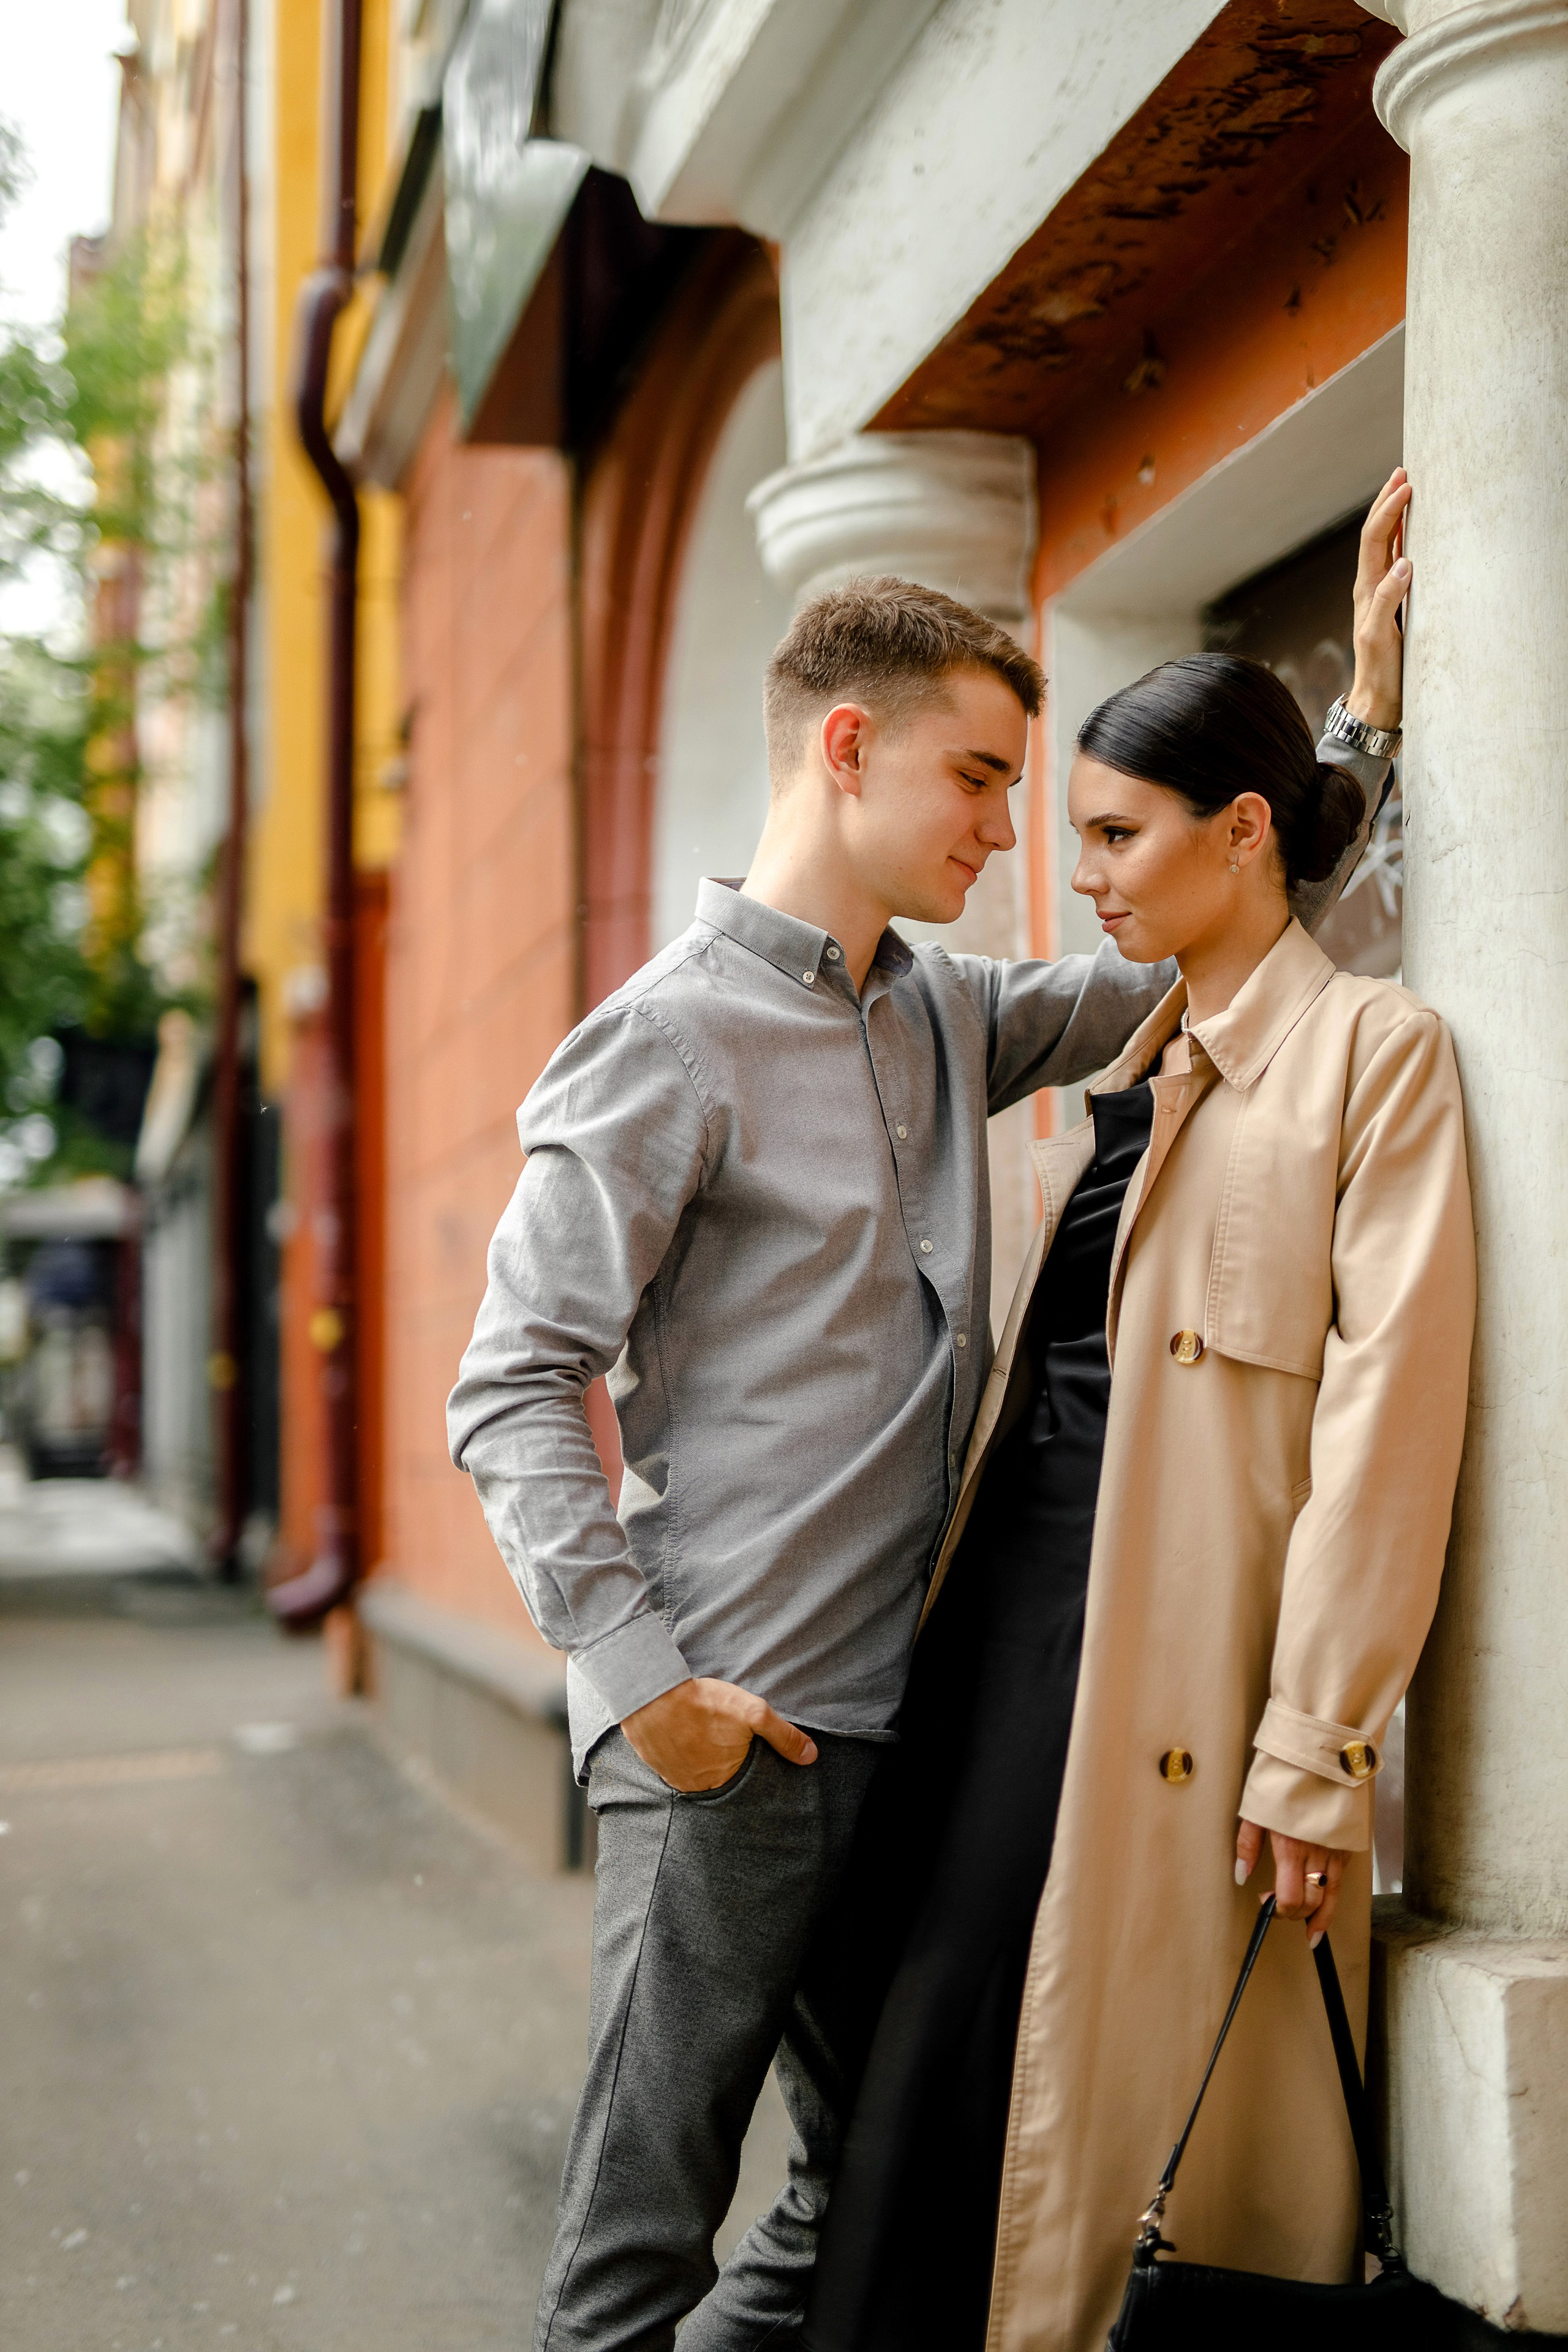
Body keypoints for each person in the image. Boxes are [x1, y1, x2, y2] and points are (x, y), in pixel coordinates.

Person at [445, 524, 1391, 2352]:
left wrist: (1350, 726)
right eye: (980, 776)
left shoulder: (945, 1015)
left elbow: (1220, 924)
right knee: (642, 2233)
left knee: (862, 2189)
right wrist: (643, 1684)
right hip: (729, 1737)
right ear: (848, 748)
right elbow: (510, 1378)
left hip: (902, 1729)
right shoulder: (665, 1043)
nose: (1007, 831)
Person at [802, 495, 1474, 2352]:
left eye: (1113, 833)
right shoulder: (1143, 1052)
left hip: (1163, 1679)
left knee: (1070, 2140)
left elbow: (1385, 1430)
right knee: (923, 2094)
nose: (1079, 871)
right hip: (992, 1645)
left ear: (1241, 834)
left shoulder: (1372, 1060)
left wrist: (1317, 1741)